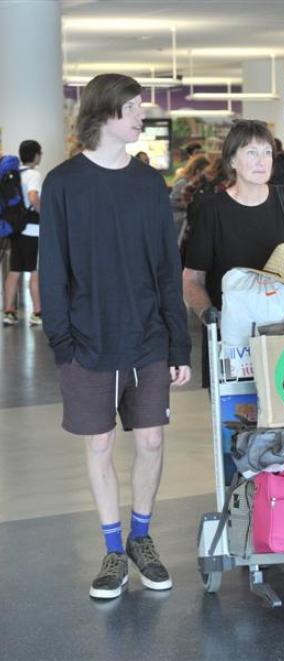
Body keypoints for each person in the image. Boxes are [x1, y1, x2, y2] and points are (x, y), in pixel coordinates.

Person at [39, 73, 192, 599]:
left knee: (150, 439)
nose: (140, 116)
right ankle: (111, 549)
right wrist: (62, 343)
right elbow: (52, 270)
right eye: (132, 107)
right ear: (105, 114)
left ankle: (141, 538)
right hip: (87, 340)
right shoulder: (63, 184)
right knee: (100, 443)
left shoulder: (150, 185)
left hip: (148, 336)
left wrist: (179, 343)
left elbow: (168, 270)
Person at [183, 119, 284, 386]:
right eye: (251, 153)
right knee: (237, 422)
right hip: (234, 343)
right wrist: (212, 318)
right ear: (232, 161)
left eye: (267, 152)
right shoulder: (212, 211)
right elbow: (191, 279)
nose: (262, 161)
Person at [3, 139, 43, 327]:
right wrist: (45, 213)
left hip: (15, 229)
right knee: (35, 271)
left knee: (14, 271)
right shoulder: (33, 174)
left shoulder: (13, 173)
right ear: (36, 155)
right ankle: (37, 313)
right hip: (32, 230)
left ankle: (9, 312)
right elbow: (33, 197)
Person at [170, 154, 210, 240]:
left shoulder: (202, 185)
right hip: (179, 223)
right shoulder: (183, 183)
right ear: (198, 171)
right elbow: (173, 202)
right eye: (205, 172)